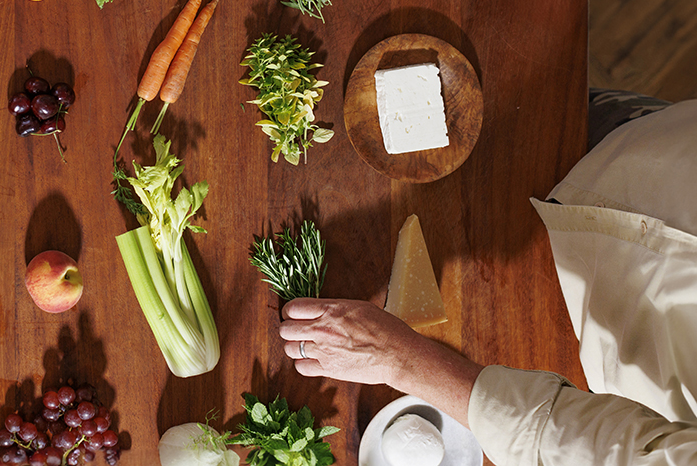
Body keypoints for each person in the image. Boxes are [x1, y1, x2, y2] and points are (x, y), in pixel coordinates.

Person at [279, 97, 697, 465]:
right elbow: (600, 452)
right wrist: (396, 356)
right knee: (560, 113)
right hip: (657, 164)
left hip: (623, 323)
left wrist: (397, 357)